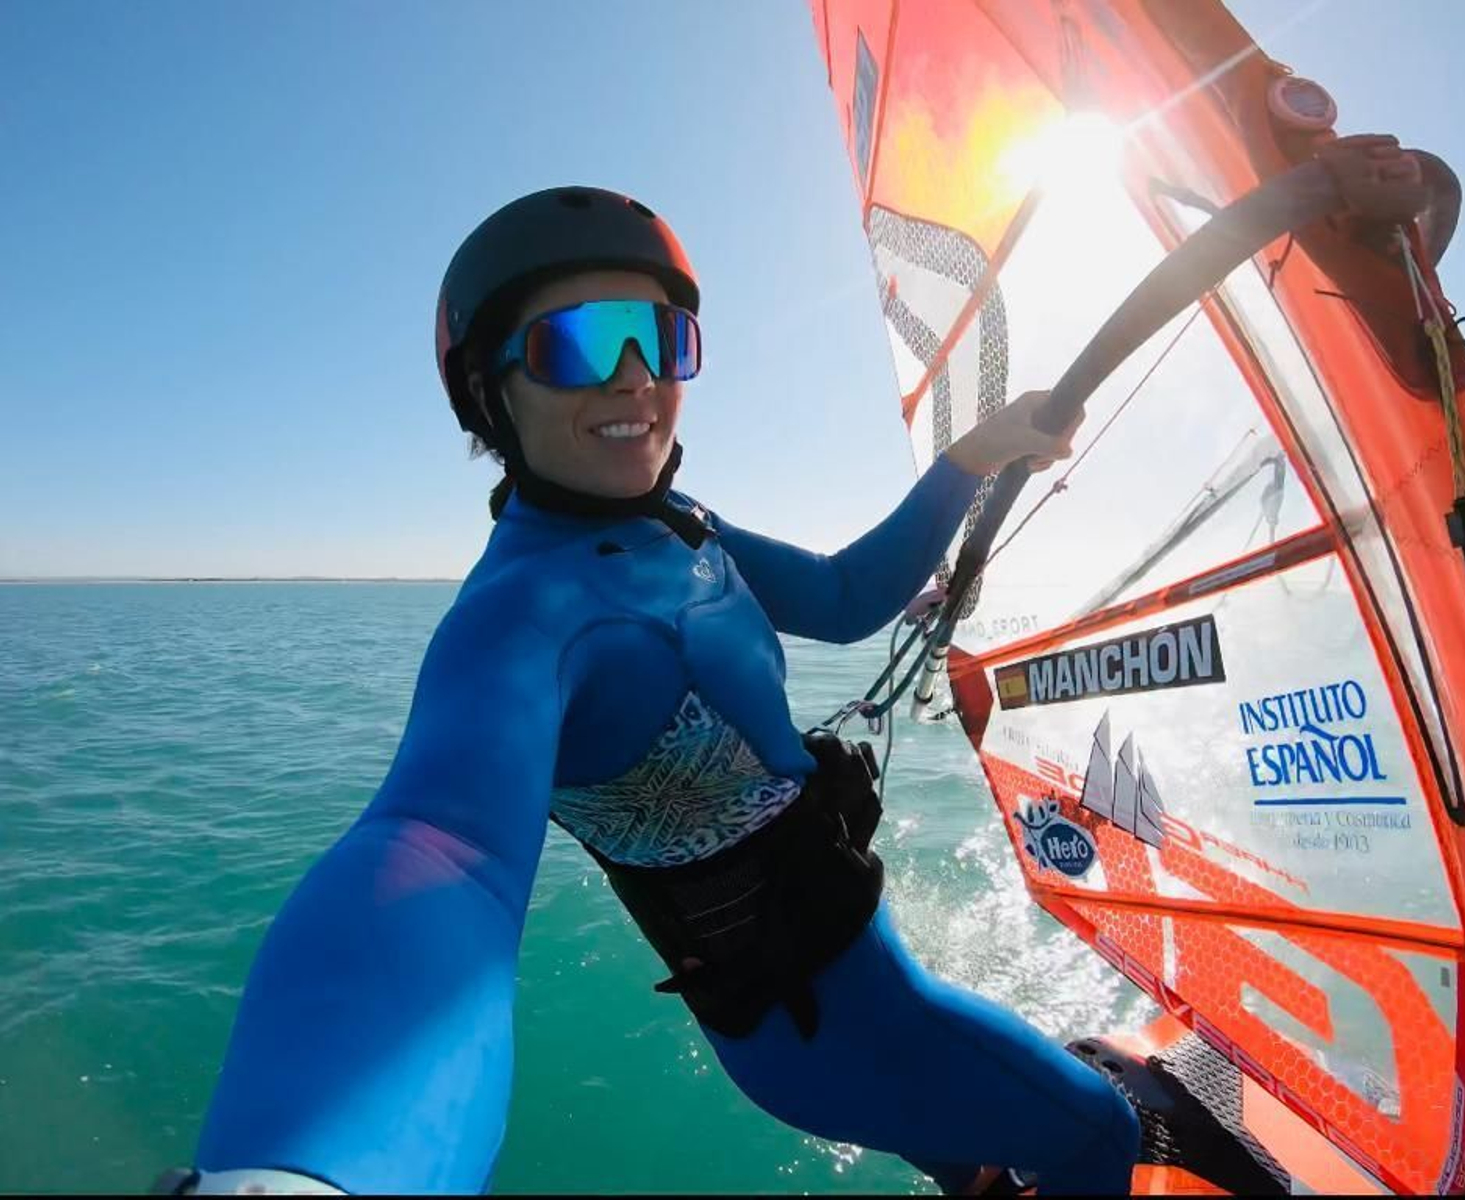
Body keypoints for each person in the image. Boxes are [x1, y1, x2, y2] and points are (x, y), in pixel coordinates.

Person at [173, 187, 1139, 1196]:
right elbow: (442, 852)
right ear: (490, 393)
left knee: (978, 1171)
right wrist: (309, 1174)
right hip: (830, 1037)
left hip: (856, 971)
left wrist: (971, 456)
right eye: (579, 343)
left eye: (663, 339)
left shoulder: (677, 523)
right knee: (1100, 1131)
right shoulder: (518, 620)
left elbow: (844, 596)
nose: (637, 376)